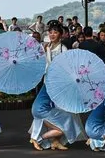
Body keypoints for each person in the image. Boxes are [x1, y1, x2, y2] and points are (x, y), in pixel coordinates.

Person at [29, 21, 85, 151]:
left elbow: (65, 67)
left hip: (59, 85)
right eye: (51, 32)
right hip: (47, 82)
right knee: (44, 109)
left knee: (61, 110)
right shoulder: (46, 47)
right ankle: (49, 138)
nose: (52, 34)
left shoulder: (63, 49)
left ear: (61, 34)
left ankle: (53, 139)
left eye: (55, 32)